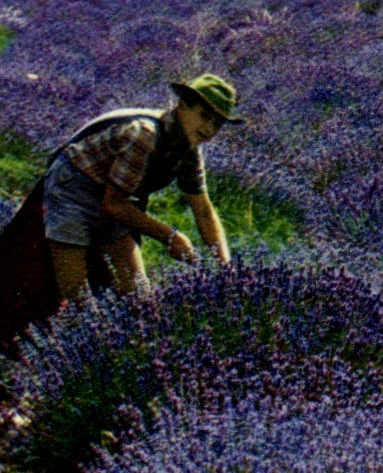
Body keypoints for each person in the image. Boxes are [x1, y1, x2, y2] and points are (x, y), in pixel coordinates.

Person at [42, 73, 242, 302]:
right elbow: (113, 204)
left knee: (140, 300)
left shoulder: (189, 149)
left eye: (216, 124)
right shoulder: (145, 135)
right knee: (78, 301)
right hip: (73, 188)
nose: (208, 129)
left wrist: (226, 268)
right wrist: (169, 236)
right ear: (182, 106)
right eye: (203, 116)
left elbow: (204, 210)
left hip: (113, 199)